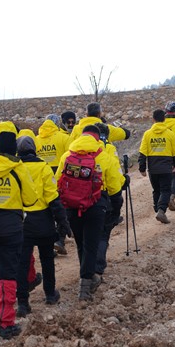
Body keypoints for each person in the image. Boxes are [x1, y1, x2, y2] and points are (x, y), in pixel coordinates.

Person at [0, 124, 38, 339]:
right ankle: (6, 323)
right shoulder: (18, 169)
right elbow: (31, 200)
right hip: (11, 227)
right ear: (14, 149)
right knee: (8, 274)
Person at [55, 125, 124, 301]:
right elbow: (116, 187)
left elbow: (57, 182)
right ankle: (85, 286)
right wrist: (115, 209)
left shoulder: (67, 156)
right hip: (96, 205)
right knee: (91, 245)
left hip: (71, 205)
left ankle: (88, 276)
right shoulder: (104, 156)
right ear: (97, 138)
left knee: (81, 244)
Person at [15, 135, 71, 317]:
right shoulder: (43, 168)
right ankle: (50, 294)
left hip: (22, 221)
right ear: (34, 149)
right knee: (47, 259)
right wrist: (63, 221)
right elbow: (53, 198)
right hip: (43, 220)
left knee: (22, 263)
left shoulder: (15, 168)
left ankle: (22, 303)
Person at [93, 123, 127, 280]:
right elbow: (115, 173)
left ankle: (85, 268)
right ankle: (97, 268)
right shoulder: (109, 149)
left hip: (82, 196)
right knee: (103, 233)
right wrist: (124, 181)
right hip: (103, 194)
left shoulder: (78, 147)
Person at [138, 109, 175, 224]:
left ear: (153, 119)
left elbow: (143, 152)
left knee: (156, 190)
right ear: (164, 119)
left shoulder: (147, 134)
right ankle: (161, 210)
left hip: (153, 167)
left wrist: (142, 168)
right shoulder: (169, 133)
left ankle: (157, 208)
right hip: (166, 167)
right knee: (166, 190)